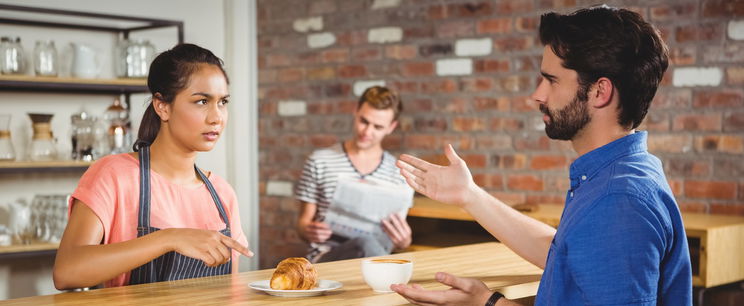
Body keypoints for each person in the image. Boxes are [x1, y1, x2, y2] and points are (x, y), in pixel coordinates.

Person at [393, 6, 692, 306]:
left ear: (600, 92)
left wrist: (488, 302)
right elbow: (567, 256)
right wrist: (469, 195)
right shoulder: (624, 172)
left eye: (551, 80)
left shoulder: (618, 199)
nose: (537, 95)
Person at [53, 44, 252, 289]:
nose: (216, 117)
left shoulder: (222, 194)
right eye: (202, 101)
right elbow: (67, 271)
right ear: (162, 106)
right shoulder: (114, 175)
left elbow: (229, 292)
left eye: (222, 102)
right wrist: (170, 238)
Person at [295, 86, 414, 263]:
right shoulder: (320, 161)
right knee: (365, 244)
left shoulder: (398, 173)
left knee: (370, 246)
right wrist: (309, 230)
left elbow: (393, 243)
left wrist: (404, 242)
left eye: (378, 127)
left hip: (374, 261)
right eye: (364, 121)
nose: (367, 132)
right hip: (327, 259)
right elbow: (303, 224)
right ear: (355, 111)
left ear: (391, 127)